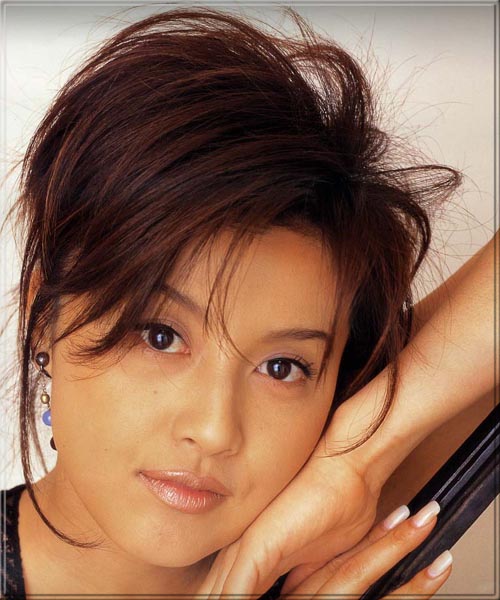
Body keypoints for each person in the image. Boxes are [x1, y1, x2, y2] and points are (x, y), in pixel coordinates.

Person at [0, 5, 495, 599]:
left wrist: (359, 460)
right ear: (42, 316)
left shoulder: (339, 524)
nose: (214, 431)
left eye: (282, 368)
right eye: (160, 336)